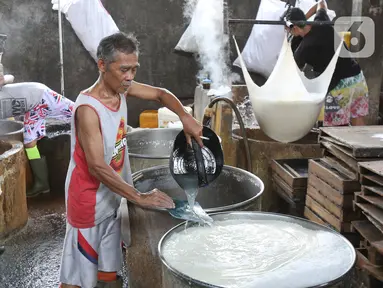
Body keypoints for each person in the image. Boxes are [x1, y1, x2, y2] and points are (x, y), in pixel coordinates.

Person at [59, 32, 203, 288]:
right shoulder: (88, 109)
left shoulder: (122, 89)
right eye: (124, 69)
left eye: (134, 69)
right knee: (79, 278)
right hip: (88, 204)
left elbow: (160, 94)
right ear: (102, 65)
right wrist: (139, 197)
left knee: (109, 273)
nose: (130, 77)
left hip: (114, 197)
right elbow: (96, 166)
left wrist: (185, 117)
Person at [282, 0, 369, 127]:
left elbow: (292, 71)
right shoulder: (320, 19)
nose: (289, 34)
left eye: (288, 30)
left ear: (294, 28)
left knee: (337, 131)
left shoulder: (305, 48)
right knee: (358, 121)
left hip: (340, 86)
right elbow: (321, 3)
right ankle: (363, 146)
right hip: (356, 77)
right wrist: (303, 19)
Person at [0, 82, 74, 197]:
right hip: (32, 108)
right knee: (29, 143)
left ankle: (107, 124)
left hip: (40, 95)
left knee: (77, 112)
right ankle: (42, 184)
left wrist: (2, 78)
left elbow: (8, 77)